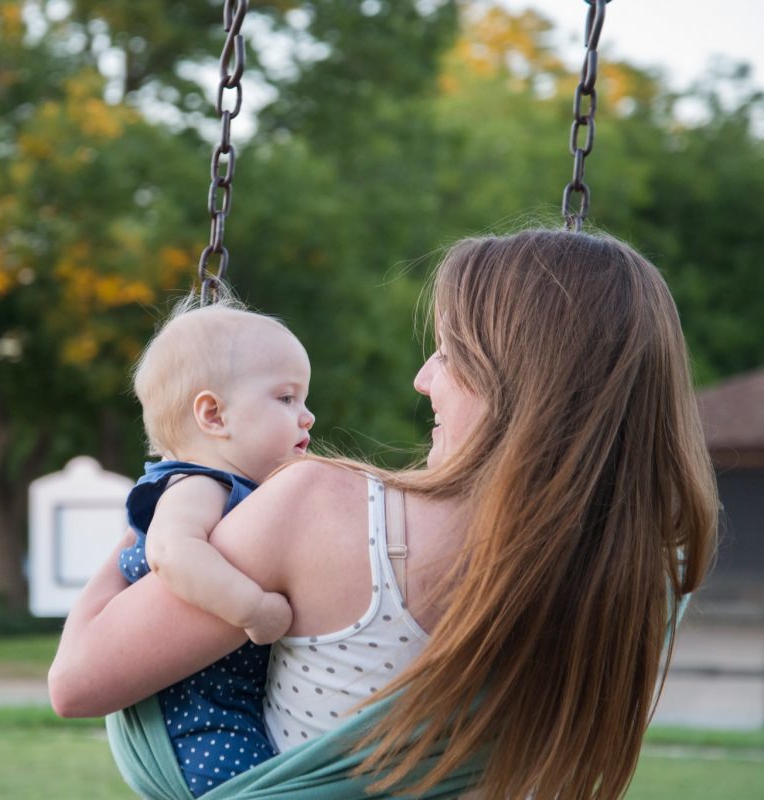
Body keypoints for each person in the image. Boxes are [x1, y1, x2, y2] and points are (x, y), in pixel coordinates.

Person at [50, 229, 718, 800]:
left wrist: (161, 506)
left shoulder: (322, 509)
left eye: (451, 353)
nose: (423, 377)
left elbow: (76, 683)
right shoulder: (651, 573)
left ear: (522, 379)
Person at [113, 296, 315, 795]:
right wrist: (254, 609)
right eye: (287, 398)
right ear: (214, 415)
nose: (307, 416)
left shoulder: (234, 489)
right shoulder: (200, 484)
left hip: (224, 713)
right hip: (201, 727)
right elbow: (171, 553)